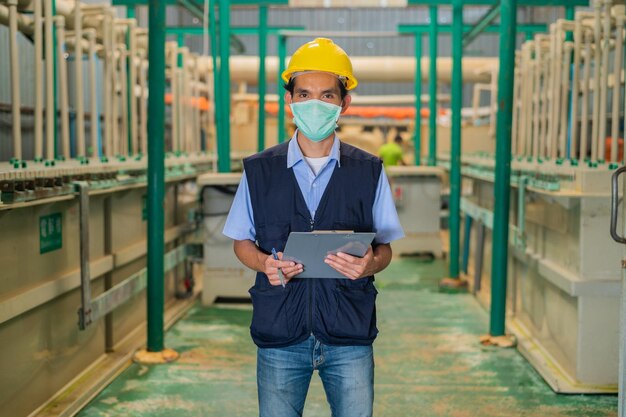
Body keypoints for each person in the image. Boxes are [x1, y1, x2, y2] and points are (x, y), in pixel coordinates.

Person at [222, 37, 404, 417]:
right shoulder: (260, 171)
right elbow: (242, 241)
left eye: (326, 95)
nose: (314, 105)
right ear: (289, 100)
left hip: (348, 334)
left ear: (344, 102)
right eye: (303, 94)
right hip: (281, 335)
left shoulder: (369, 171)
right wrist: (264, 264)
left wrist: (370, 264)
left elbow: (385, 247)